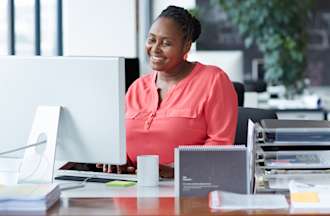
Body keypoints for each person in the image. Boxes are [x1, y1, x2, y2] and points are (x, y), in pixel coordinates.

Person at [97, 5, 238, 178]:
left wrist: (176, 171)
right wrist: (117, 159)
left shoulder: (214, 80)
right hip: (130, 185)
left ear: (186, 47)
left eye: (166, 43)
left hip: (187, 189)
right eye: (151, 39)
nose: (155, 49)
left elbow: (221, 146)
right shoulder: (137, 88)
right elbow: (121, 139)